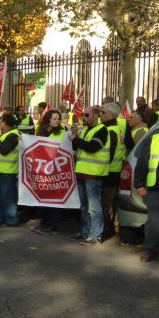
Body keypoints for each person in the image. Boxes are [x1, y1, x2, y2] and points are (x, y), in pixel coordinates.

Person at [70, 105, 109, 245]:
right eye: (83, 115)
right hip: (82, 172)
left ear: (95, 116)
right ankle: (85, 231)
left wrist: (76, 139)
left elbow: (92, 147)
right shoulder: (85, 130)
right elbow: (76, 147)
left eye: (86, 115)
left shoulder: (102, 130)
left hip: (93, 173)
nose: (83, 117)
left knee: (94, 207)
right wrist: (75, 138)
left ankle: (95, 235)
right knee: (84, 206)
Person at [134, 112, 159, 261]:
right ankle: (150, 250)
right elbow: (141, 164)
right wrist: (140, 184)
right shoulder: (154, 139)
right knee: (154, 222)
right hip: (156, 189)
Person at [100, 102, 133, 239]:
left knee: (106, 200)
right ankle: (110, 227)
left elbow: (109, 151)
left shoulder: (106, 126)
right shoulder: (123, 124)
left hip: (108, 169)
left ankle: (106, 229)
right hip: (116, 167)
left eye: (103, 112)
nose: (100, 115)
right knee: (111, 200)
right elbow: (129, 144)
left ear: (111, 114)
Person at [32, 109, 66, 234]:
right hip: (42, 170)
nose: (57, 121)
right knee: (43, 199)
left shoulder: (63, 133)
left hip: (55, 170)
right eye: (54, 118)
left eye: (58, 119)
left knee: (54, 199)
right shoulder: (40, 132)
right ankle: (44, 223)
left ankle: (53, 226)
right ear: (48, 119)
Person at [0, 113, 21, 226]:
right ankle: (3, 218)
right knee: (1, 197)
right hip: (0, 170)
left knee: (9, 198)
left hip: (8, 171)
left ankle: (12, 220)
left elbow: (4, 150)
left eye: (1, 122)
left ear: (4, 123)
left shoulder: (13, 135)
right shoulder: (5, 134)